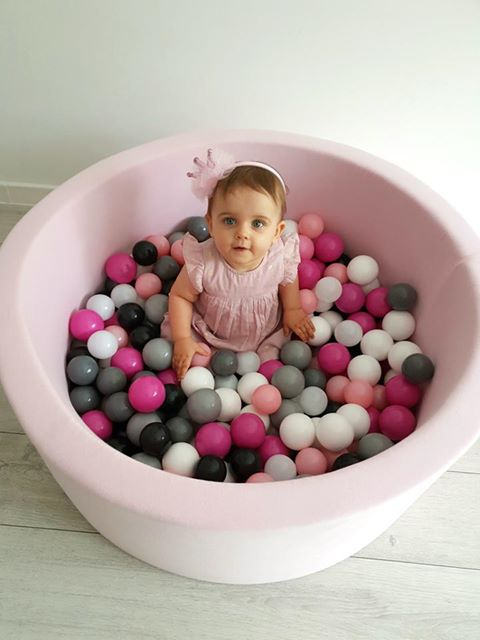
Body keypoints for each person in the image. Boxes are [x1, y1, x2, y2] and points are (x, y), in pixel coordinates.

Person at [160, 148, 315, 380]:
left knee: (274, 369)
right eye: (230, 221)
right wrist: (183, 338)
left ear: (277, 232)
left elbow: (287, 280)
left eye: (258, 223)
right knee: (195, 364)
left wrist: (292, 309)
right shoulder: (203, 262)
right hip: (210, 335)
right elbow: (180, 296)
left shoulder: (279, 257)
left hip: (265, 333)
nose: (242, 233)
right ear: (211, 224)